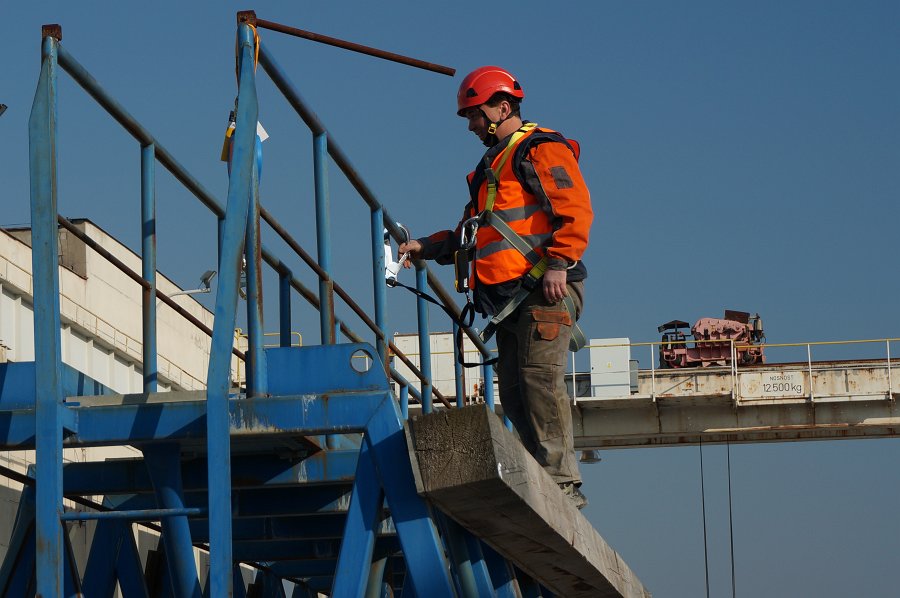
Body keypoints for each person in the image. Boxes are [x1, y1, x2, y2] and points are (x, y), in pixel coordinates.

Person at [399, 66, 594, 509]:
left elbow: (575, 209)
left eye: (475, 114)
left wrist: (558, 263)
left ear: (502, 108)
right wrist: (425, 246)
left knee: (539, 380)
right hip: (508, 300)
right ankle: (541, 477)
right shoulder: (494, 166)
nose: (471, 125)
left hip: (544, 289)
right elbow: (472, 232)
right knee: (514, 389)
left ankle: (562, 481)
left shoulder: (539, 148)